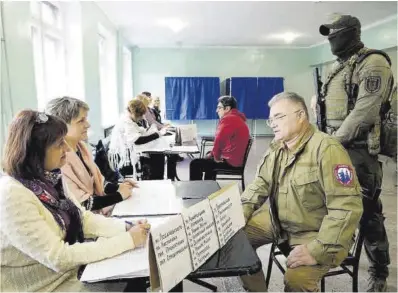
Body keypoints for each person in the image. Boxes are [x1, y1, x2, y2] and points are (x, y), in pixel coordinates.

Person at [0, 110, 150, 292]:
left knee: (137, 278)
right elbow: (59, 257)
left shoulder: (51, 176)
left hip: (70, 273)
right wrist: (128, 240)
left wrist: (126, 227)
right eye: (58, 144)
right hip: (46, 285)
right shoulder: (13, 195)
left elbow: (83, 218)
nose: (67, 149)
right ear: (35, 153)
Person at [240, 92, 363, 292]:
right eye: (271, 119)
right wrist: (242, 211)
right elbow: (261, 182)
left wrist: (318, 250)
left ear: (301, 115)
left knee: (296, 280)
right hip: (280, 221)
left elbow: (346, 208)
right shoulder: (278, 147)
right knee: (238, 241)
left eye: (279, 117)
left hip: (316, 231)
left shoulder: (327, 150)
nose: (272, 124)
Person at [313, 14, 393, 291]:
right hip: (336, 149)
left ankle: (379, 270)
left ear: (352, 33)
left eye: (335, 34)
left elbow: (365, 111)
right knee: (333, 205)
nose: (331, 39)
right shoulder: (340, 67)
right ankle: (338, 250)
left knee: (367, 213)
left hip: (358, 155)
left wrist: (333, 143)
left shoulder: (373, 62)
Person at [46, 97, 135, 215]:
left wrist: (118, 187)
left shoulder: (81, 147)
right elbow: (80, 204)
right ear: (62, 126)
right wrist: (119, 195)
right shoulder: (58, 160)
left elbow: (97, 181)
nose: (88, 124)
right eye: (81, 121)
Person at [189, 95, 250, 180]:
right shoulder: (238, 118)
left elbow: (219, 140)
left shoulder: (228, 119)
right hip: (237, 160)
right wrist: (213, 155)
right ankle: (209, 186)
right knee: (209, 158)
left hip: (231, 162)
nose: (216, 110)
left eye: (219, 108)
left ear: (227, 108)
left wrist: (216, 157)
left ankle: (195, 191)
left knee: (195, 163)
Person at [108, 99, 168, 180]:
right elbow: (137, 140)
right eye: (140, 116)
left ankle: (157, 178)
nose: (141, 118)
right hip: (125, 155)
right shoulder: (126, 122)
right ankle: (155, 179)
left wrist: (151, 133)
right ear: (133, 113)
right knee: (157, 154)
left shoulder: (131, 118)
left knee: (158, 152)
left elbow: (138, 132)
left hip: (131, 148)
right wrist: (157, 134)